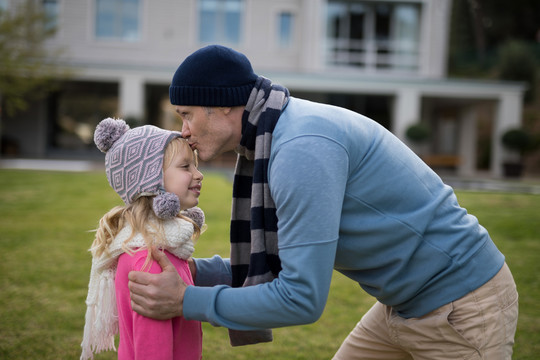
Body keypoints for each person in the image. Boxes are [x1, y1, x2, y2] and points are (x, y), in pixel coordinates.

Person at [128, 45, 519, 359]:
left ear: (224, 105)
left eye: (187, 115)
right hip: (401, 306)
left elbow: (300, 298)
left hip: (461, 306)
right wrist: (187, 271)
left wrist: (186, 300)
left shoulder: (300, 149)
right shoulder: (276, 133)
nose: (184, 131)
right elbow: (280, 261)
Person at [81, 117, 205, 360]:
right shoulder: (148, 261)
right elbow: (153, 351)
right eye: (185, 166)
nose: (199, 174)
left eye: (195, 166)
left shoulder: (162, 247)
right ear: (152, 181)